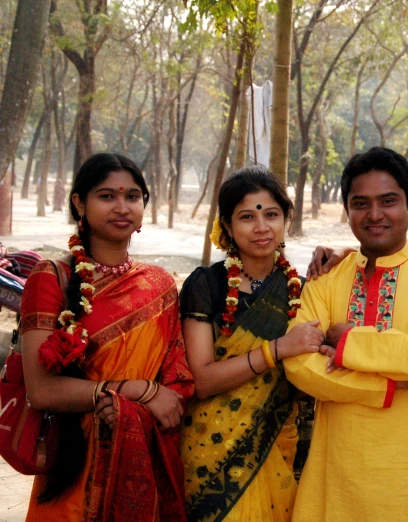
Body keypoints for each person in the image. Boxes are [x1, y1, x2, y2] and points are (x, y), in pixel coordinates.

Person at [283, 147, 408, 521]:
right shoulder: (326, 278)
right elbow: (299, 363)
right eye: (360, 203)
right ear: (347, 209)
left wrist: (348, 342)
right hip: (338, 482)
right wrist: (382, 387)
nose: (374, 215)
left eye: (388, 201)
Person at [19, 152, 195, 521]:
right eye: (106, 196)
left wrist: (140, 407)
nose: (122, 207)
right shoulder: (50, 277)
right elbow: (41, 390)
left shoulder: (160, 284)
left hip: (142, 465)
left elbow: (175, 381)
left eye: (132, 196)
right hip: (72, 466)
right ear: (79, 203)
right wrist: (133, 391)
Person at [178, 167, 324, 522]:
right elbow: (202, 380)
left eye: (271, 214)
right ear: (227, 226)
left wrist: (340, 252)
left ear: (286, 219)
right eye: (247, 217)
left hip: (276, 445)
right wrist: (277, 349)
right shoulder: (206, 285)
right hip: (211, 453)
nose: (261, 227)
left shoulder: (303, 290)